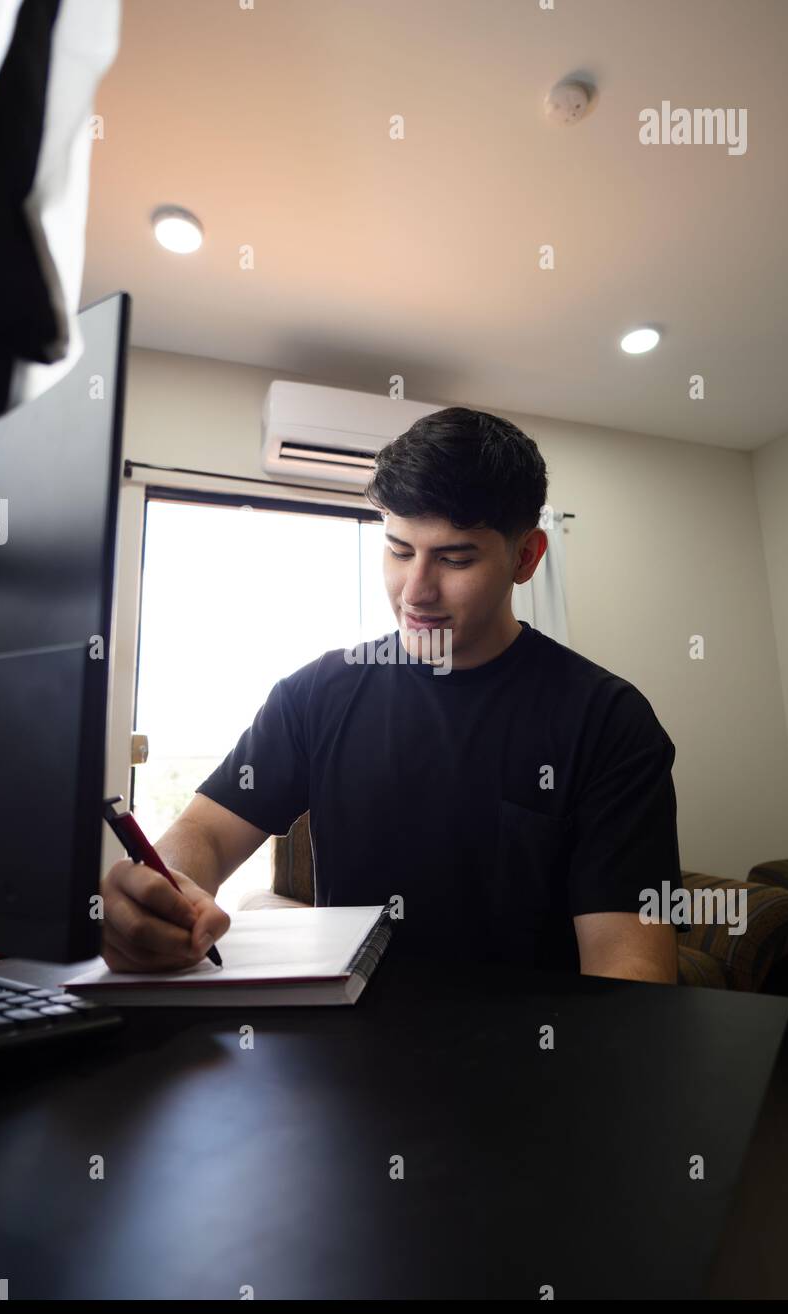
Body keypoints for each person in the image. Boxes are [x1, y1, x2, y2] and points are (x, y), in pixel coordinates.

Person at [99, 407, 688, 980]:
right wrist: (164, 891)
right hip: (340, 1050)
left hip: (534, 1058)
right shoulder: (316, 696)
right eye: (399, 551)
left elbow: (628, 964)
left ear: (526, 557)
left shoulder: (608, 720)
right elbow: (204, 834)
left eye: (455, 559)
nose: (416, 592)